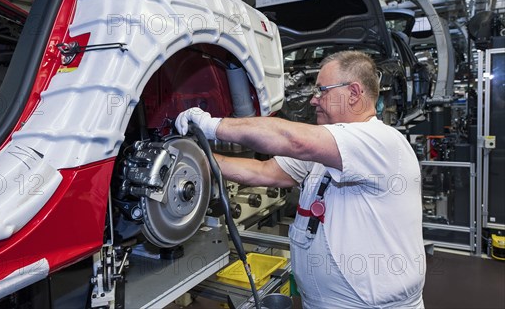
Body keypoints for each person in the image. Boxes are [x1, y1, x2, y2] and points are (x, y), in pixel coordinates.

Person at [176, 50, 426, 308]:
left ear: (353, 93)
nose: (313, 100)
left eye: (322, 91)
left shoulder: (381, 141)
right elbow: (265, 172)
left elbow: (292, 140)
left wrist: (210, 125)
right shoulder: (330, 149)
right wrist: (199, 159)